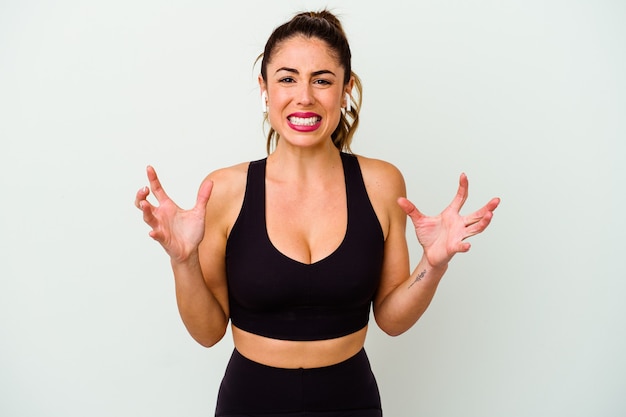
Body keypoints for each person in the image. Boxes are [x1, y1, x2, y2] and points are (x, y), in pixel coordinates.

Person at [135, 10, 500, 417]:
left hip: (352, 401)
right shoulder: (224, 190)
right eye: (287, 78)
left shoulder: (381, 184)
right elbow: (207, 333)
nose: (304, 96)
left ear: (346, 89)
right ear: (265, 89)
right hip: (250, 402)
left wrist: (433, 266)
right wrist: (183, 261)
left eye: (322, 80)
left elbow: (392, 321)